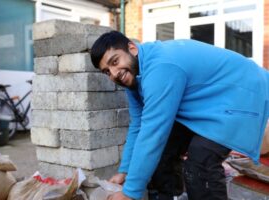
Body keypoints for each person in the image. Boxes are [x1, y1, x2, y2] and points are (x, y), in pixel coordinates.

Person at [90, 31, 269, 200]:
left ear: (132, 49)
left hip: (242, 94)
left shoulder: (161, 68)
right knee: (163, 153)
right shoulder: (133, 74)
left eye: (114, 62)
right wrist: (125, 171)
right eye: (107, 71)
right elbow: (138, 125)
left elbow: (153, 134)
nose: (114, 74)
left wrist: (130, 193)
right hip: (210, 104)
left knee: (200, 163)